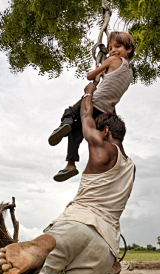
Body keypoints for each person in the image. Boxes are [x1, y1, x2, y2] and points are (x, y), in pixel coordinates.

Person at [0, 82, 136, 274]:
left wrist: (89, 93)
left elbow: (84, 117)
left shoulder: (100, 148)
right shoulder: (130, 165)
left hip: (75, 224)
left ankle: (36, 252)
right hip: (105, 246)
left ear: (104, 131)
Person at [48, 31, 135, 182]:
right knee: (77, 132)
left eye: (118, 46)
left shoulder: (113, 60)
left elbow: (90, 76)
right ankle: (70, 164)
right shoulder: (129, 73)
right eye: (110, 48)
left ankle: (65, 124)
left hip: (93, 101)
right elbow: (112, 85)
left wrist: (100, 67)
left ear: (129, 49)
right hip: (105, 110)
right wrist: (104, 74)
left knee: (69, 111)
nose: (113, 51)